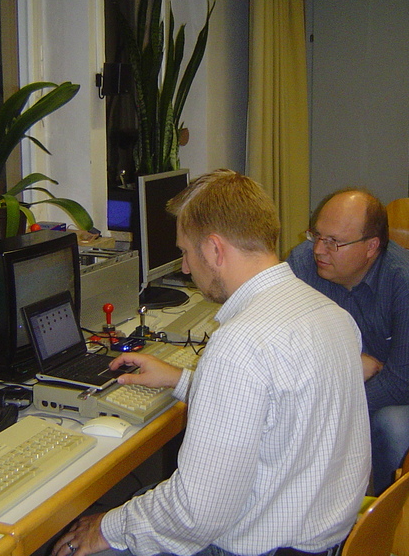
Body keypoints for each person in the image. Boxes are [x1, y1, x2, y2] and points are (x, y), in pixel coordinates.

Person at [53, 170, 370, 556]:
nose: (185, 268)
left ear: (216, 250)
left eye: (186, 252)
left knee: (82, 539)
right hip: (324, 538)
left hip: (262, 547)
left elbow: (196, 514)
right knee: (140, 501)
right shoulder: (330, 314)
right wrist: (182, 380)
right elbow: (277, 410)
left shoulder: (240, 343)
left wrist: (105, 528)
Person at [287, 188, 409, 499]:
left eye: (334, 242)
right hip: (342, 371)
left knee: (393, 425)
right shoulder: (301, 264)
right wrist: (349, 368)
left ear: (371, 246)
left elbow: (403, 384)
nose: (319, 250)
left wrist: (328, 406)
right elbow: (287, 342)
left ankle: (402, 520)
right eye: (317, 235)